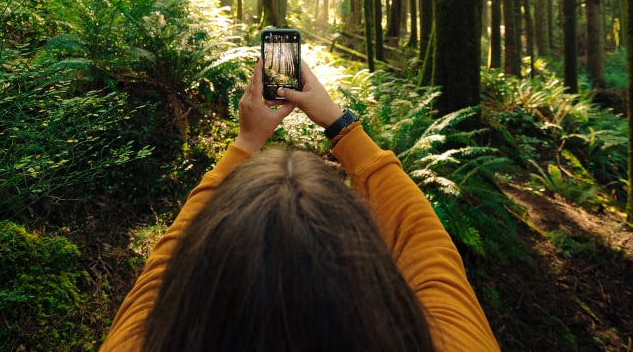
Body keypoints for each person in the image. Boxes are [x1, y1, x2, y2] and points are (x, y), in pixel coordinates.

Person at [100, 60, 500, 351]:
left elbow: (164, 264)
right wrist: (338, 122)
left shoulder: (145, 338)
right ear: (373, 281)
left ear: (196, 281)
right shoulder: (450, 341)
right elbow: (425, 244)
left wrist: (245, 143)